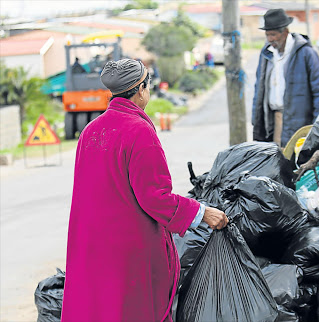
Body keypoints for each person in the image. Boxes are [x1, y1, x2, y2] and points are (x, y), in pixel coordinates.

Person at [61, 58, 229, 321]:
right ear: (141, 89)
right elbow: (155, 197)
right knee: (134, 311)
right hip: (128, 251)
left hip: (92, 246)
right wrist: (202, 212)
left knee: (101, 311)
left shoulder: (90, 131)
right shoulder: (138, 130)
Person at [252, 8, 319, 148]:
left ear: (285, 32)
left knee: (295, 164)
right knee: (274, 163)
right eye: (267, 35)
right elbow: (258, 88)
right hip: (273, 121)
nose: (270, 39)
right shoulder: (266, 54)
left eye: (273, 34)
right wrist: (256, 118)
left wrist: (316, 126)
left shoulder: (306, 53)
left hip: (300, 124)